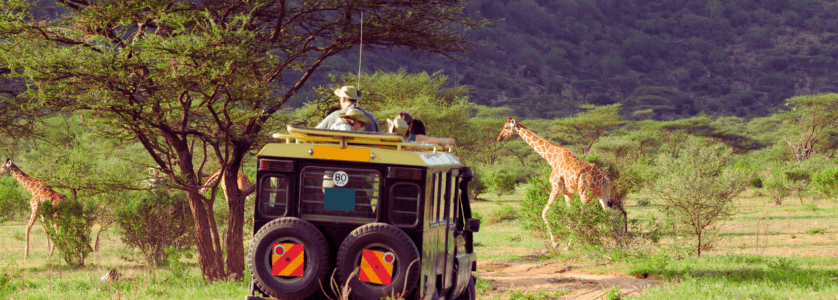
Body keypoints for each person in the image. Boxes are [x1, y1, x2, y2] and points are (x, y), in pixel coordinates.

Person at [388, 112, 456, 147]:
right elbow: (437, 141)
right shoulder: (415, 138)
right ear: (410, 126)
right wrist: (449, 141)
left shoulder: (382, 138)